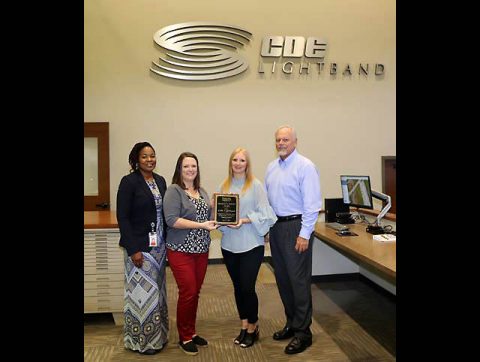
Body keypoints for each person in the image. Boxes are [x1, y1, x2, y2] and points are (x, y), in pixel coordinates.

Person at [264, 126, 322, 355]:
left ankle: (303, 333)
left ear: (295, 142)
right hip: (277, 227)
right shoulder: (271, 167)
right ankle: (291, 323)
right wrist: (268, 228)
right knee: (283, 280)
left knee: (298, 282)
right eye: (278, 139)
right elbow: (269, 201)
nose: (281, 143)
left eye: (285, 139)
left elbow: (312, 204)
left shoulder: (305, 167)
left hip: (297, 227)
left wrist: (304, 234)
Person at [217, 147, 277, 349]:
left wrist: (243, 220)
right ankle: (244, 325)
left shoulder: (256, 185)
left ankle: (253, 327)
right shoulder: (224, 186)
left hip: (251, 245)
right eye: (235, 159)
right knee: (237, 288)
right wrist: (218, 218)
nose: (238, 163)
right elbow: (219, 214)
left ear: (247, 164)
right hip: (229, 246)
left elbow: (267, 215)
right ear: (230, 162)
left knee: (247, 288)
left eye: (242, 160)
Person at [116, 142, 169, 355]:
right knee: (141, 295)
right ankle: (142, 341)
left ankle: (160, 336)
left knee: (159, 294)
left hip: (159, 247)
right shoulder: (129, 182)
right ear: (136, 160)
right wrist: (133, 249)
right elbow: (123, 217)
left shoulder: (161, 181)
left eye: (152, 156)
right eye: (145, 156)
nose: (150, 160)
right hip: (139, 248)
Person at [163, 152, 218, 356]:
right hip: (180, 251)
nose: (190, 169)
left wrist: (216, 208)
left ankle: (192, 332)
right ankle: (184, 336)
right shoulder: (174, 191)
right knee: (188, 292)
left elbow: (209, 219)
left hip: (201, 251)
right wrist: (201, 225)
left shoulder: (202, 191)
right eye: (186, 166)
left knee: (195, 292)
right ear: (179, 169)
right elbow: (171, 220)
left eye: (193, 166)